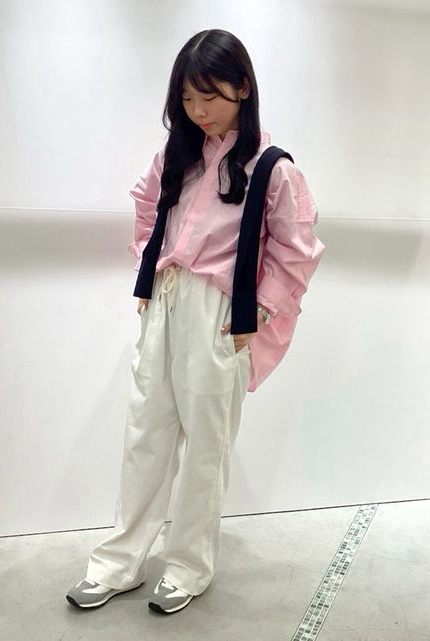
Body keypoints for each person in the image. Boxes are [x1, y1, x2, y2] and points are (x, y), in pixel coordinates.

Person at [66, 28, 325, 615]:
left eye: (210, 95)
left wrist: (257, 311)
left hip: (220, 313)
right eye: (187, 98)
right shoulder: (176, 154)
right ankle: (119, 562)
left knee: (207, 445)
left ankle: (186, 566)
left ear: (243, 88)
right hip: (165, 300)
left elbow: (297, 249)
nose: (198, 110)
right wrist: (149, 269)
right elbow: (146, 206)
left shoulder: (272, 168)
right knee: (145, 433)